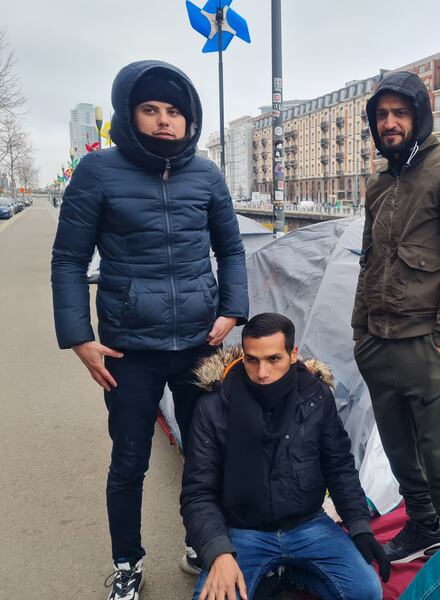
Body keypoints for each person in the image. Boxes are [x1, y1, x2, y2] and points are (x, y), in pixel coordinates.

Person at [51, 60, 248, 600]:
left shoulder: (206, 175)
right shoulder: (98, 172)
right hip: (128, 349)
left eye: (175, 111)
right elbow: (69, 259)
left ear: (189, 119)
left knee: (205, 453)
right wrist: (79, 337)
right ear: (129, 114)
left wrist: (232, 310)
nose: (165, 120)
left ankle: (200, 541)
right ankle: (127, 562)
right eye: (151, 109)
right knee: (129, 460)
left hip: (199, 345)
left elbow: (231, 249)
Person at [351, 71, 440, 563]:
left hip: (424, 339)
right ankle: (423, 524)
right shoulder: (379, 183)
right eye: (382, 115)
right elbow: (369, 260)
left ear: (419, 116)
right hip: (376, 339)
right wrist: (360, 330)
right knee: (398, 447)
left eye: (400, 113)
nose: (390, 123)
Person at [181, 313, 389, 600]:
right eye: (252, 360)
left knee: (366, 591)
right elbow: (197, 492)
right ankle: (275, 572)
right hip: (243, 530)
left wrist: (360, 526)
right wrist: (218, 552)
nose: (262, 372)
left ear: (293, 354)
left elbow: (339, 466)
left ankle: (290, 572)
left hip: (308, 524)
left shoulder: (316, 397)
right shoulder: (213, 407)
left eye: (273, 359)